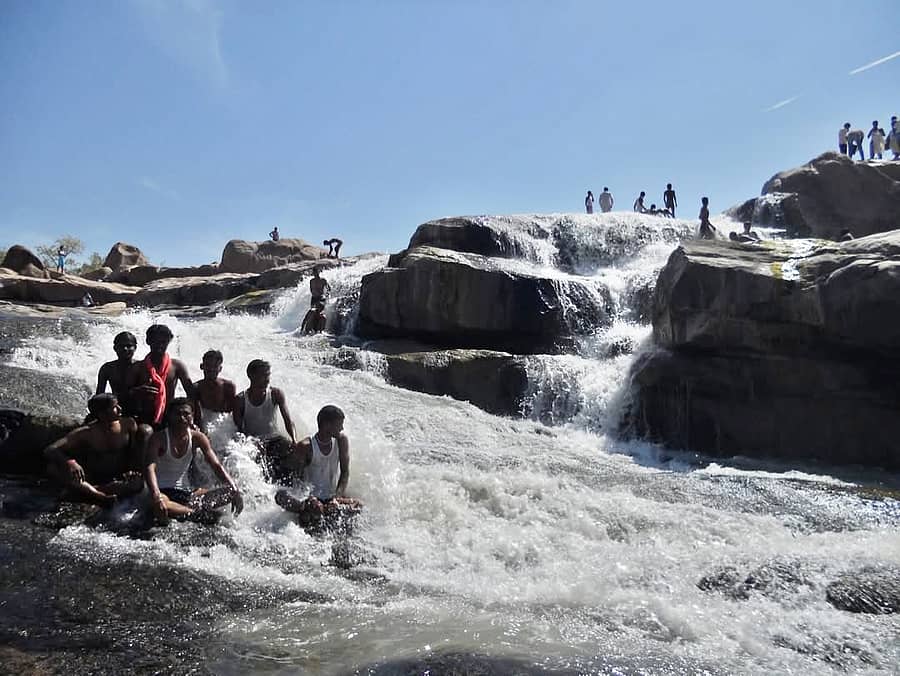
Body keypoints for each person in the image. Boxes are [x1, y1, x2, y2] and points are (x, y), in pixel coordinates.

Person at [144, 398, 243, 523]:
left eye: (186, 414)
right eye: (177, 414)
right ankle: (196, 514)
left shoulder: (198, 437)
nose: (182, 418)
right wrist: (156, 495)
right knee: (162, 504)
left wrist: (233, 488)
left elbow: (216, 465)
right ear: (169, 416)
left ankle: (189, 513)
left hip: (188, 494)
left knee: (230, 492)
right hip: (163, 493)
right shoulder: (159, 438)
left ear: (192, 416)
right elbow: (149, 467)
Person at [43, 394, 146, 506]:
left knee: (137, 484)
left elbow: (135, 452)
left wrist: (134, 471)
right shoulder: (86, 432)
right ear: (102, 414)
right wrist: (70, 462)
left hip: (118, 476)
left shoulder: (128, 424)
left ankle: (88, 492)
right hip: (95, 476)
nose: (120, 409)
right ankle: (98, 495)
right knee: (53, 468)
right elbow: (50, 449)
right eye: (115, 407)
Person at [272, 405, 361, 528]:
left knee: (358, 505)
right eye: (339, 424)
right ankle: (304, 508)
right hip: (311, 499)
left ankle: (324, 509)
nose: (342, 428)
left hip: (331, 499)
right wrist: (307, 500)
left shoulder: (341, 441)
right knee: (280, 496)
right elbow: (293, 478)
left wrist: (337, 497)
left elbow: (345, 473)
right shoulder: (305, 446)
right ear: (327, 425)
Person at [127, 324, 193, 428]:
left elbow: (192, 394)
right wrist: (138, 391)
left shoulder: (176, 366)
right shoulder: (138, 367)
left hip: (170, 416)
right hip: (145, 417)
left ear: (169, 342)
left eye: (163, 342)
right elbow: (126, 395)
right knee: (145, 432)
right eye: (156, 342)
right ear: (148, 341)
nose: (160, 345)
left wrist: (195, 421)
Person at [233, 359, 297, 444]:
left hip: (274, 439)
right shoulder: (240, 400)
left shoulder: (276, 394)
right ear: (251, 376)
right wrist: (251, 443)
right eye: (263, 375)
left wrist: (294, 440)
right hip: (253, 443)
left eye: (268, 375)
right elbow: (240, 431)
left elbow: (288, 421)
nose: (267, 379)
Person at [193, 349, 237, 432]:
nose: (211, 369)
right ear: (202, 366)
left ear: (220, 368)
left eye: (215, 366)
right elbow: (196, 415)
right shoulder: (196, 388)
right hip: (205, 422)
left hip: (223, 424)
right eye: (208, 365)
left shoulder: (228, 387)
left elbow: (232, 415)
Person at [96, 331, 138, 410]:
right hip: (115, 409)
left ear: (135, 348)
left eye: (129, 346)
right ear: (115, 348)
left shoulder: (141, 367)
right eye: (121, 346)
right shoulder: (107, 368)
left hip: (138, 411)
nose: (125, 349)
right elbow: (99, 396)